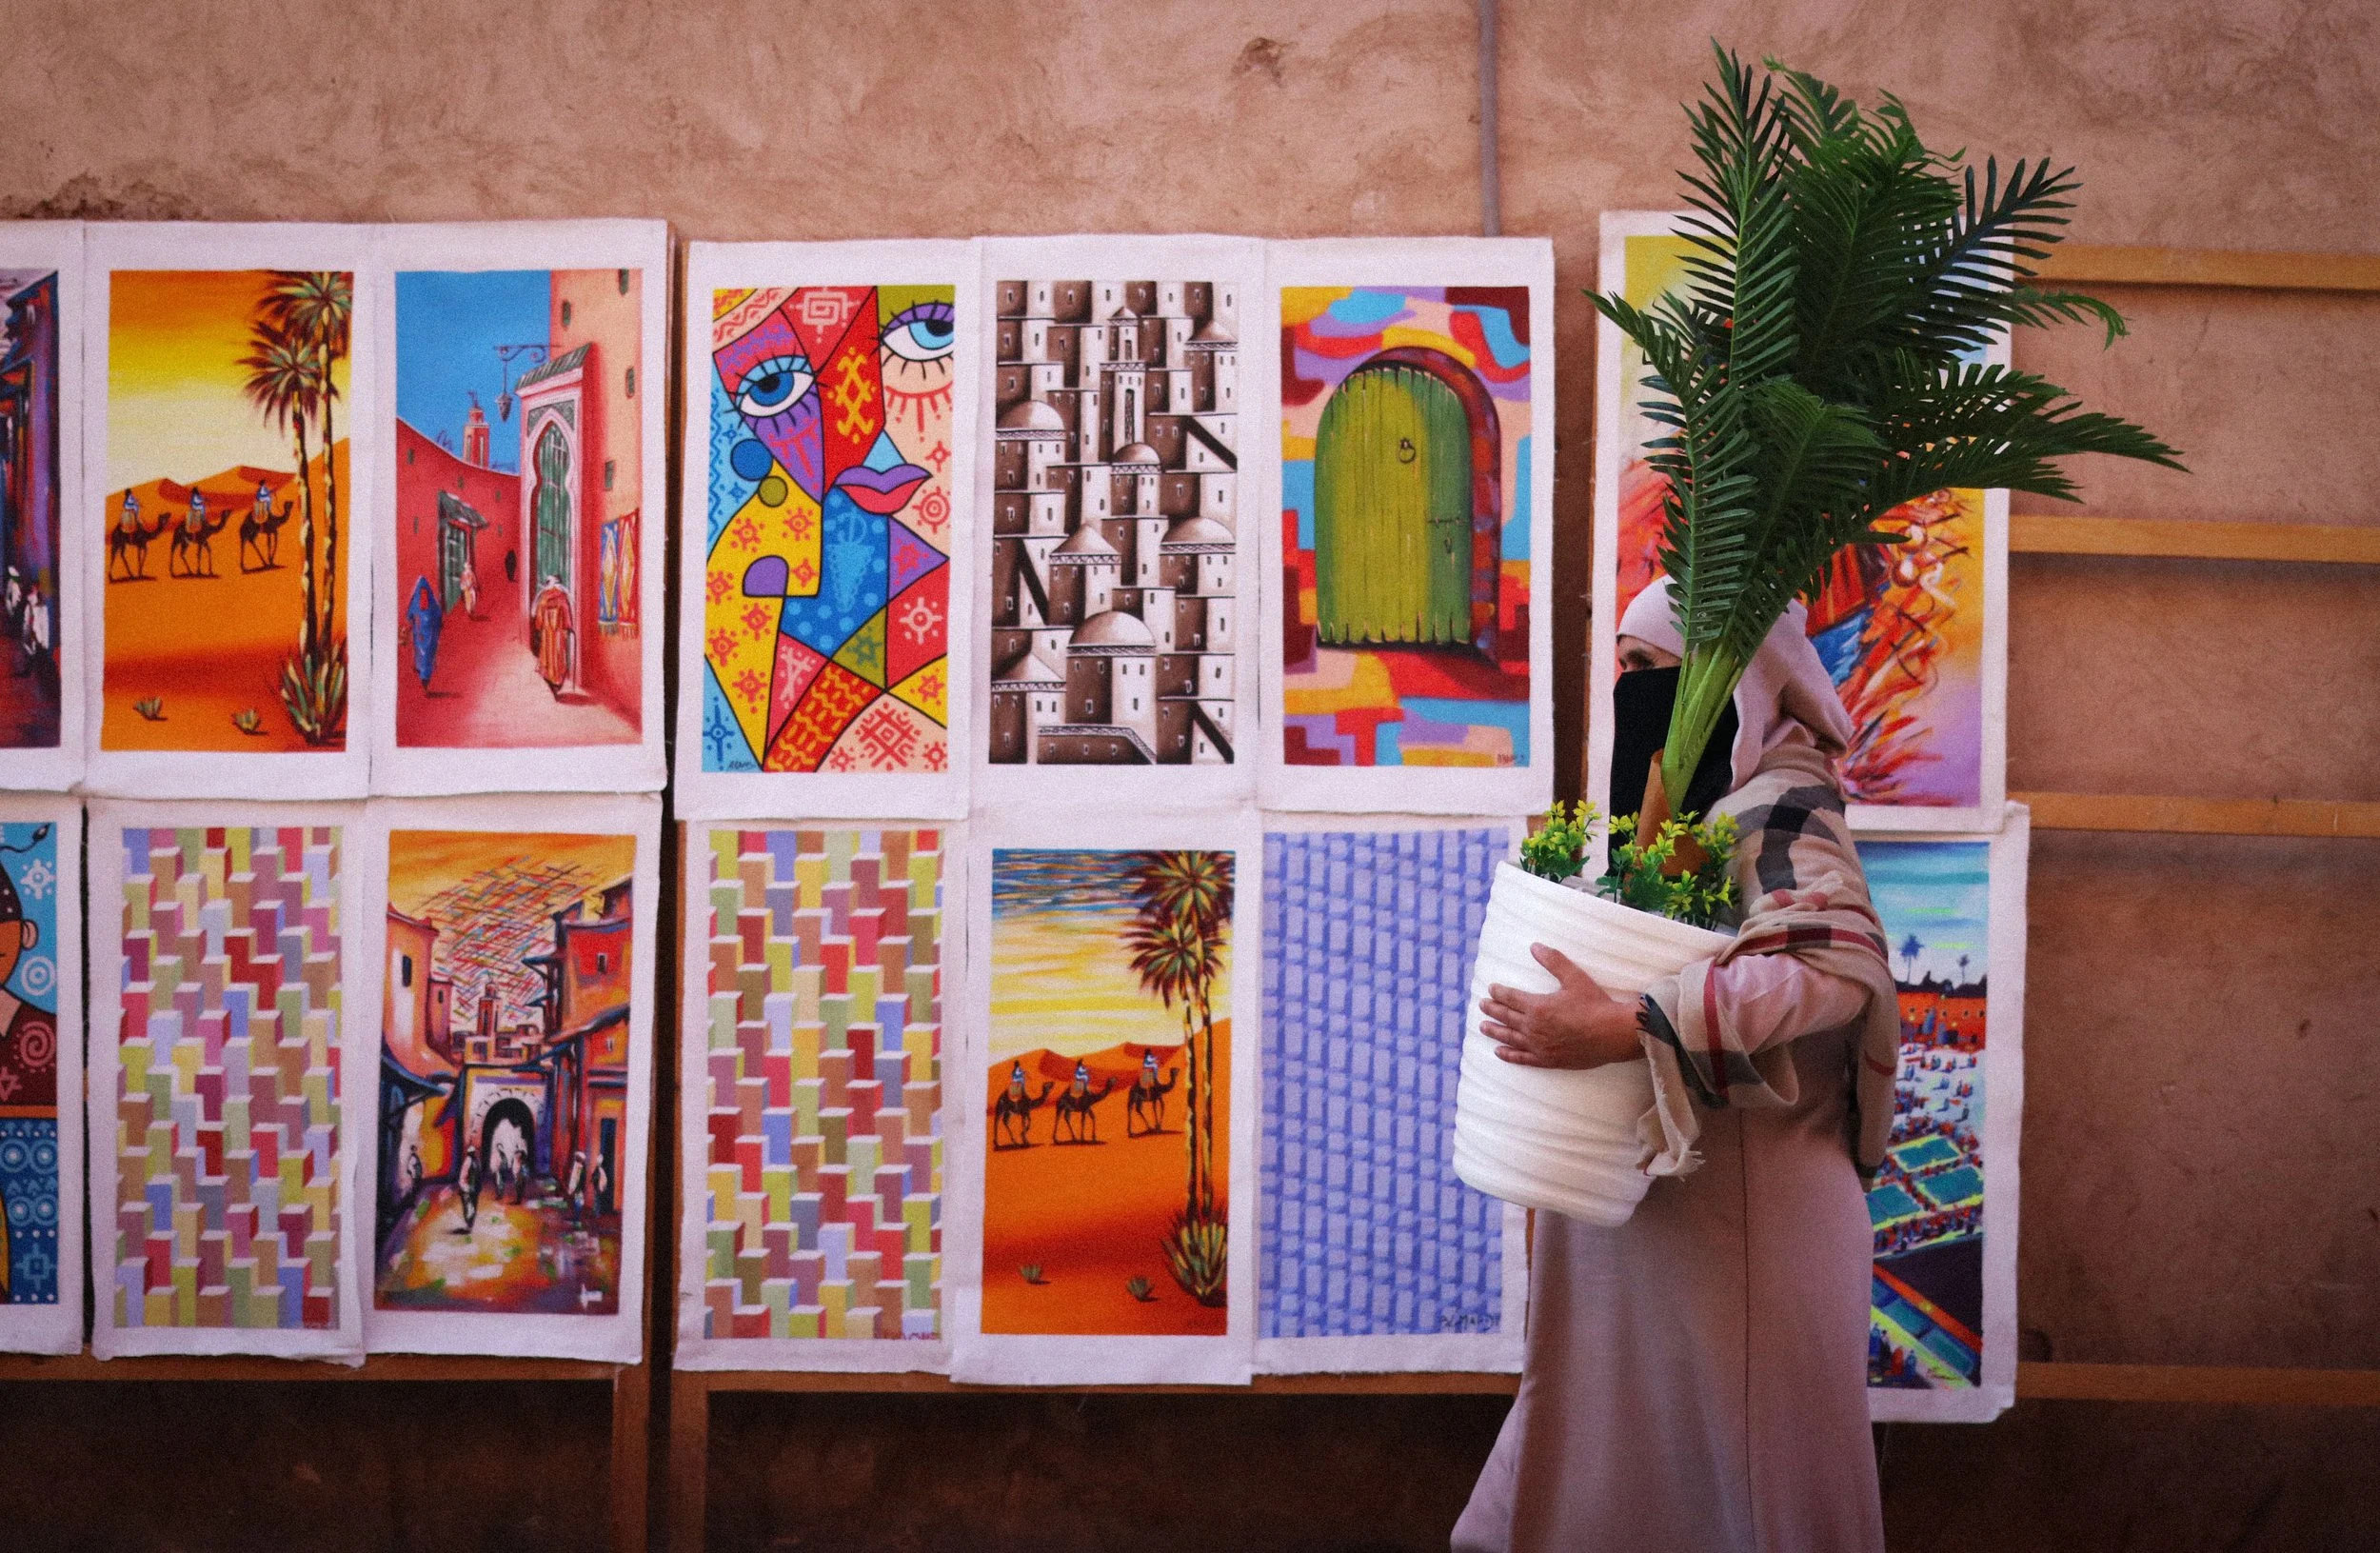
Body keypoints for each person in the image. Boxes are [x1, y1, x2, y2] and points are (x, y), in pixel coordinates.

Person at [1453, 576, 1898, 1553]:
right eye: (1623, 668)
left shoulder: (1780, 808)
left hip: (1748, 1224)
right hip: (1671, 1219)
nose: (1633, 689)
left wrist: (1629, 1025)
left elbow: (1827, 969)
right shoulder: (1686, 821)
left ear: (1734, 680)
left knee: (1746, 1498)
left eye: (1651, 668)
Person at [405, 576, 443, 691]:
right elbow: (438, 615)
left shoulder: (416, 600)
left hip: (420, 634)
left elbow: (409, 615)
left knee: (421, 653)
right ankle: (425, 678)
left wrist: (413, 620)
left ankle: (423, 675)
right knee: (428, 655)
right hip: (430, 634)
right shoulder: (432, 602)